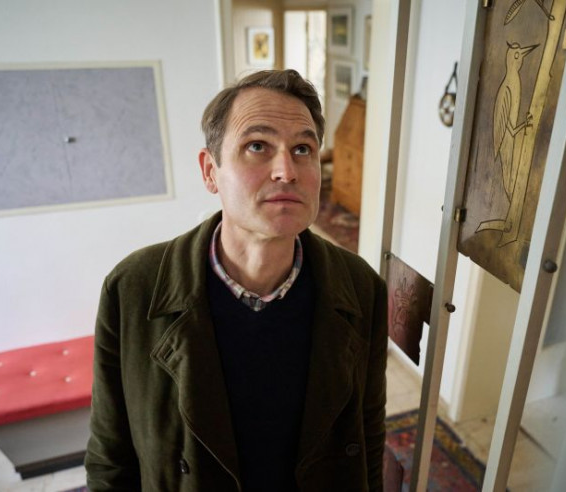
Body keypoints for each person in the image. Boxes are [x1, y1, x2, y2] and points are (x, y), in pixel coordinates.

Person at [85, 69, 388, 491]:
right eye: (257, 146)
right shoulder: (132, 288)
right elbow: (109, 457)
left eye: (303, 148)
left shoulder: (360, 286)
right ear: (210, 171)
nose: (287, 171)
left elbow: (367, 435)